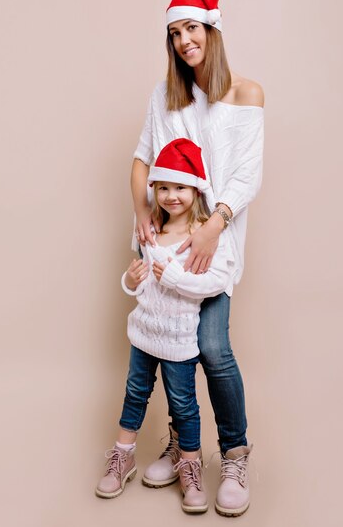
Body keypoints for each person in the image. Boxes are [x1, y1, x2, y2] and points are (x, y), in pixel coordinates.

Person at [131, 0, 264, 517]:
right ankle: (184, 446)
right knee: (170, 347)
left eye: (191, 27)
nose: (184, 40)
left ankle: (234, 452)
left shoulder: (247, 94)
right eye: (175, 32)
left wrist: (216, 225)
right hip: (166, 245)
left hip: (216, 245)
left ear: (213, 29)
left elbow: (248, 172)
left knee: (212, 347)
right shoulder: (165, 97)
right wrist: (141, 210)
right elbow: (143, 159)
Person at [96, 138, 234, 514]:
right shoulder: (149, 231)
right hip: (143, 334)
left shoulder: (204, 236)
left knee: (183, 405)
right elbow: (138, 286)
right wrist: (130, 278)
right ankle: (123, 456)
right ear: (155, 190)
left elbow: (215, 282)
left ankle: (188, 466)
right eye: (164, 188)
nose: (172, 196)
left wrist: (174, 277)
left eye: (181, 188)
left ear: (195, 190)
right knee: (135, 394)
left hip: (178, 342)